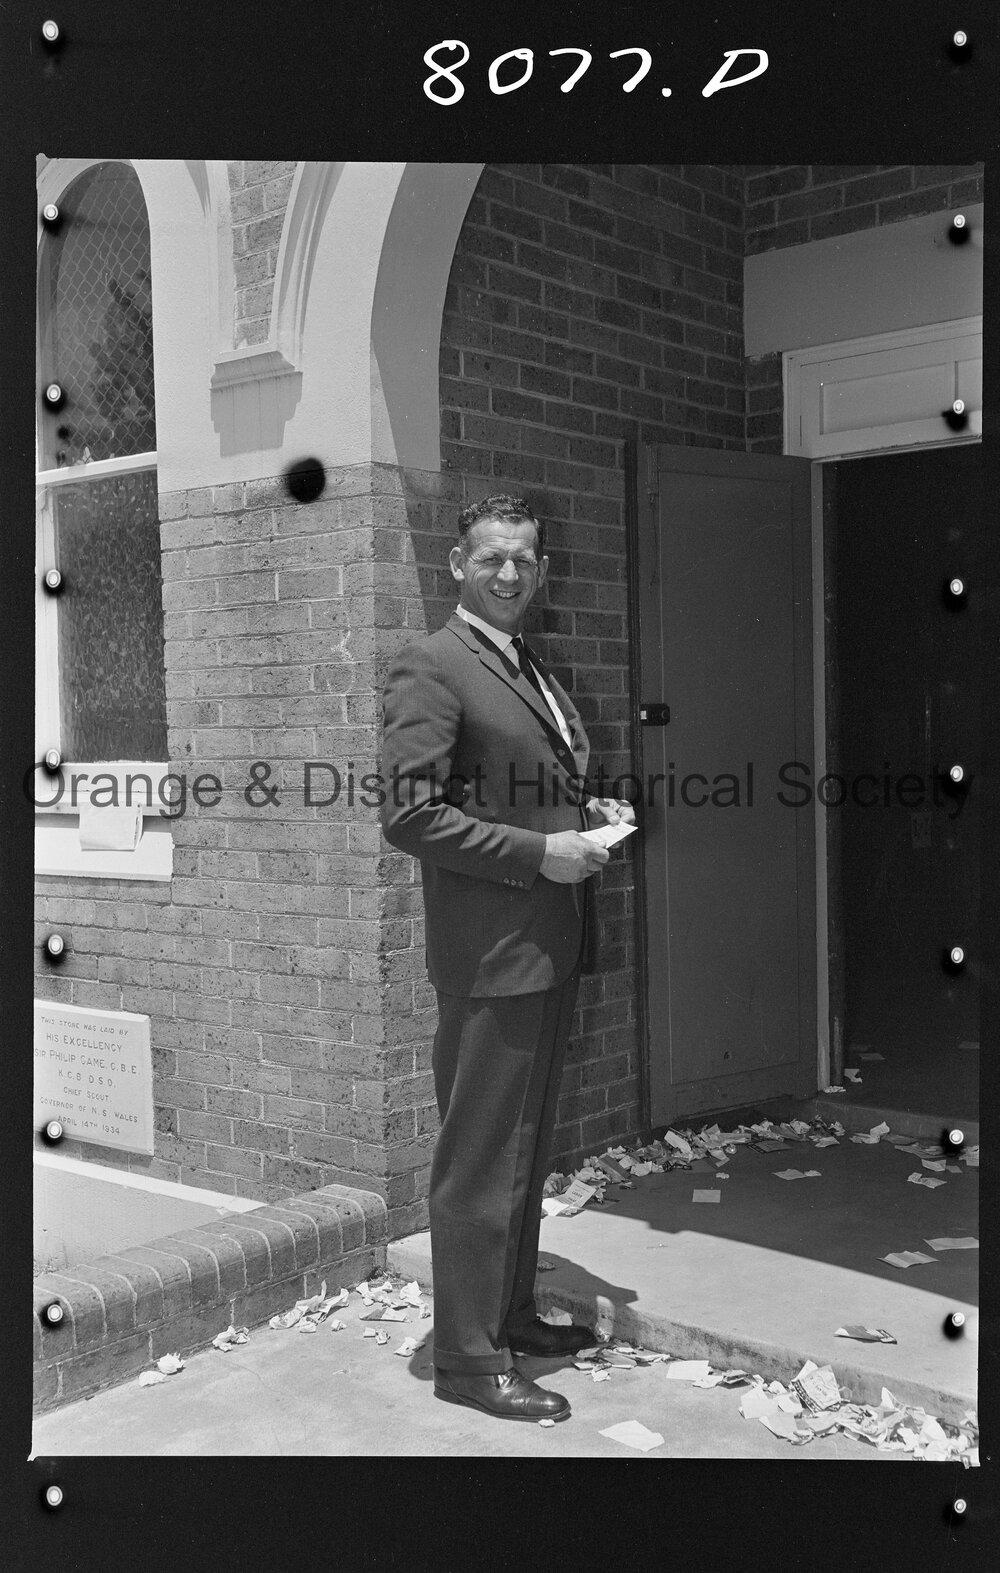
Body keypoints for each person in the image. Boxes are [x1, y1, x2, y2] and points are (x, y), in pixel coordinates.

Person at [380, 493, 635, 1422]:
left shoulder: (525, 662)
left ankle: (511, 1313)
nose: (510, 573)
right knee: (481, 1158)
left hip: (545, 946)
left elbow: (523, 787)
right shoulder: (432, 662)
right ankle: (468, 1359)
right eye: (492, 557)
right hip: (491, 954)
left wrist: (585, 819)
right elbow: (409, 816)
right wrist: (540, 854)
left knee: (523, 1149)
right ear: (457, 563)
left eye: (524, 559)